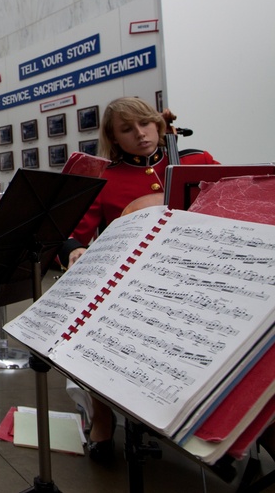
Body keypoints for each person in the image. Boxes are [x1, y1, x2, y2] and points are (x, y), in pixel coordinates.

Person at [59, 96, 218, 462]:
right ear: (114, 139)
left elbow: (229, 203)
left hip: (198, 279)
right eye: (127, 130)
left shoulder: (196, 161)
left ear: (159, 126)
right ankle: (101, 414)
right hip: (133, 285)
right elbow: (73, 234)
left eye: (145, 124)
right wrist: (73, 250)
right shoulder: (108, 178)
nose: (140, 134)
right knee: (94, 325)